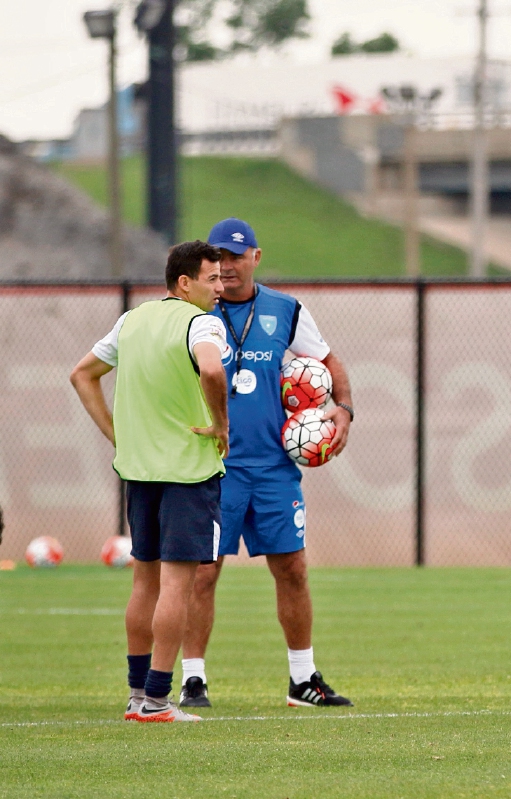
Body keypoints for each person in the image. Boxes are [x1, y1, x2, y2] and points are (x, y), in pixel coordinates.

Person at [179, 218, 355, 709]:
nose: (228, 266)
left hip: (274, 468)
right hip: (214, 467)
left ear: (256, 256)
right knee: (203, 573)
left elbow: (330, 362)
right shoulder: (195, 312)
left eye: (237, 256)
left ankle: (303, 680)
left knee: (293, 569)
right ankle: (193, 679)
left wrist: (343, 409)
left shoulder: (286, 310)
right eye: (219, 258)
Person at [70, 240, 230, 723]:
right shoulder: (201, 322)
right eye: (212, 279)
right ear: (185, 283)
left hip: (139, 470)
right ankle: (159, 701)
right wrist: (221, 424)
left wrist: (120, 437)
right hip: (188, 470)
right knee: (178, 585)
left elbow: (82, 375)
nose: (221, 288)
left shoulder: (131, 320)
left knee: (144, 582)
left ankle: (136, 696)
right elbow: (211, 370)